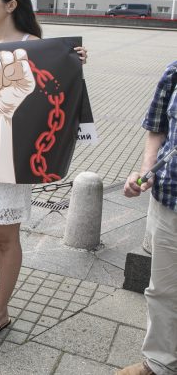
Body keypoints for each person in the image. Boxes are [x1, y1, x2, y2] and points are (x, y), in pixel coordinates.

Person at [0, 0, 87, 340]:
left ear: (10, 5)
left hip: (12, 158)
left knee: (5, 236)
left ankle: (1, 309)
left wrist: (73, 60)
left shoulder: (35, 45)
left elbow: (54, 94)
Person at [119, 61, 176, 375]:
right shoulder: (175, 72)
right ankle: (159, 363)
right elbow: (157, 126)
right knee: (163, 289)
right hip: (170, 198)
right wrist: (146, 171)